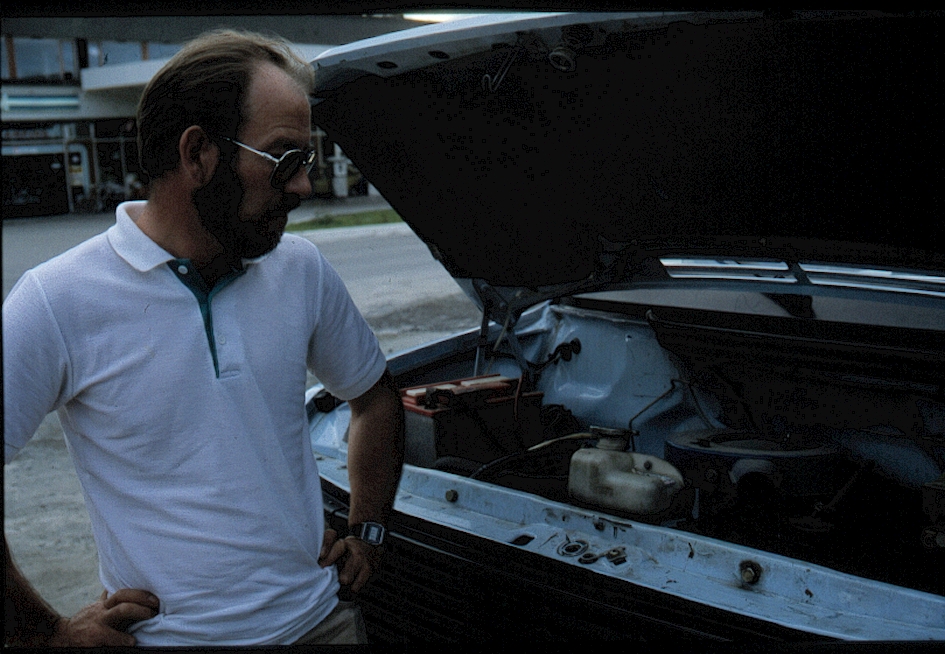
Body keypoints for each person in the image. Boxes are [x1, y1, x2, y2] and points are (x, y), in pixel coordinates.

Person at [3, 29, 405, 647]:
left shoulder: (300, 270)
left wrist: (368, 530)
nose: (303, 187)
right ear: (197, 154)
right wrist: (43, 634)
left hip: (321, 625)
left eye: (307, 161)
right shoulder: (58, 299)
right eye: (284, 160)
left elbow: (374, 398)